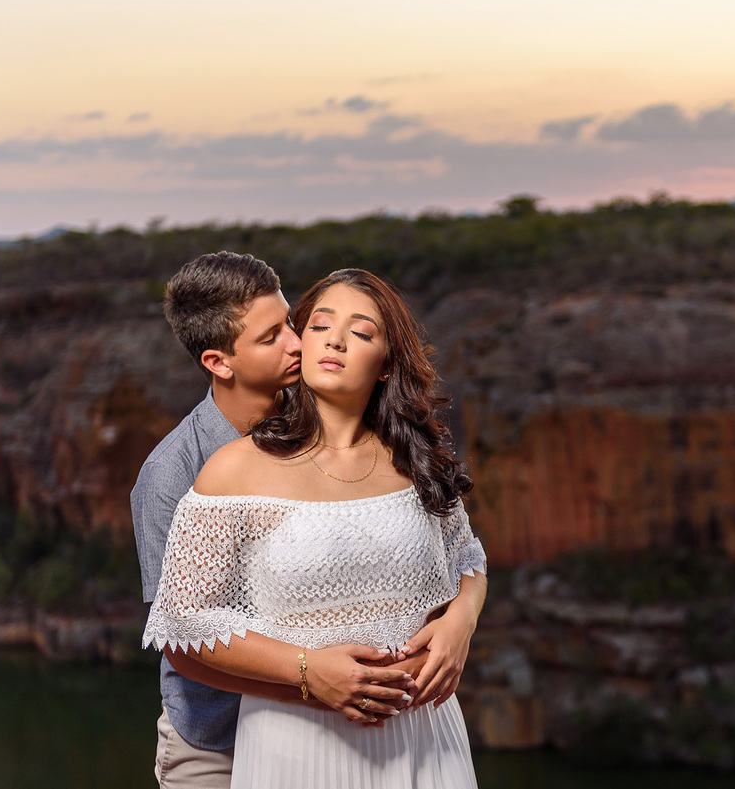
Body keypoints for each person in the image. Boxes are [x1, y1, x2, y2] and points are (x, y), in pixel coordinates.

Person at [141, 268, 488, 788]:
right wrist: (313, 680)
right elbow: (181, 629)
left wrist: (461, 620)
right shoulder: (207, 470)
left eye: (362, 331)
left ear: (388, 364)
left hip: (421, 735)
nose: (317, 342)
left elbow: (468, 557)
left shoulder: (413, 457)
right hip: (253, 737)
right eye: (319, 325)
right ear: (219, 362)